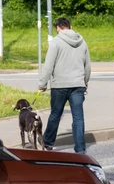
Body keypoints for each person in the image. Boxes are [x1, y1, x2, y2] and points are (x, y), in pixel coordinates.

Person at [38, 17, 92, 153]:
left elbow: (48, 66)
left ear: (58, 28)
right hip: (78, 85)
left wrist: (42, 84)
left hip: (59, 86)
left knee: (55, 115)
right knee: (78, 118)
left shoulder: (56, 42)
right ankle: (80, 149)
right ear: (70, 26)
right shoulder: (82, 42)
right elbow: (88, 67)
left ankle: (48, 143)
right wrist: (84, 83)